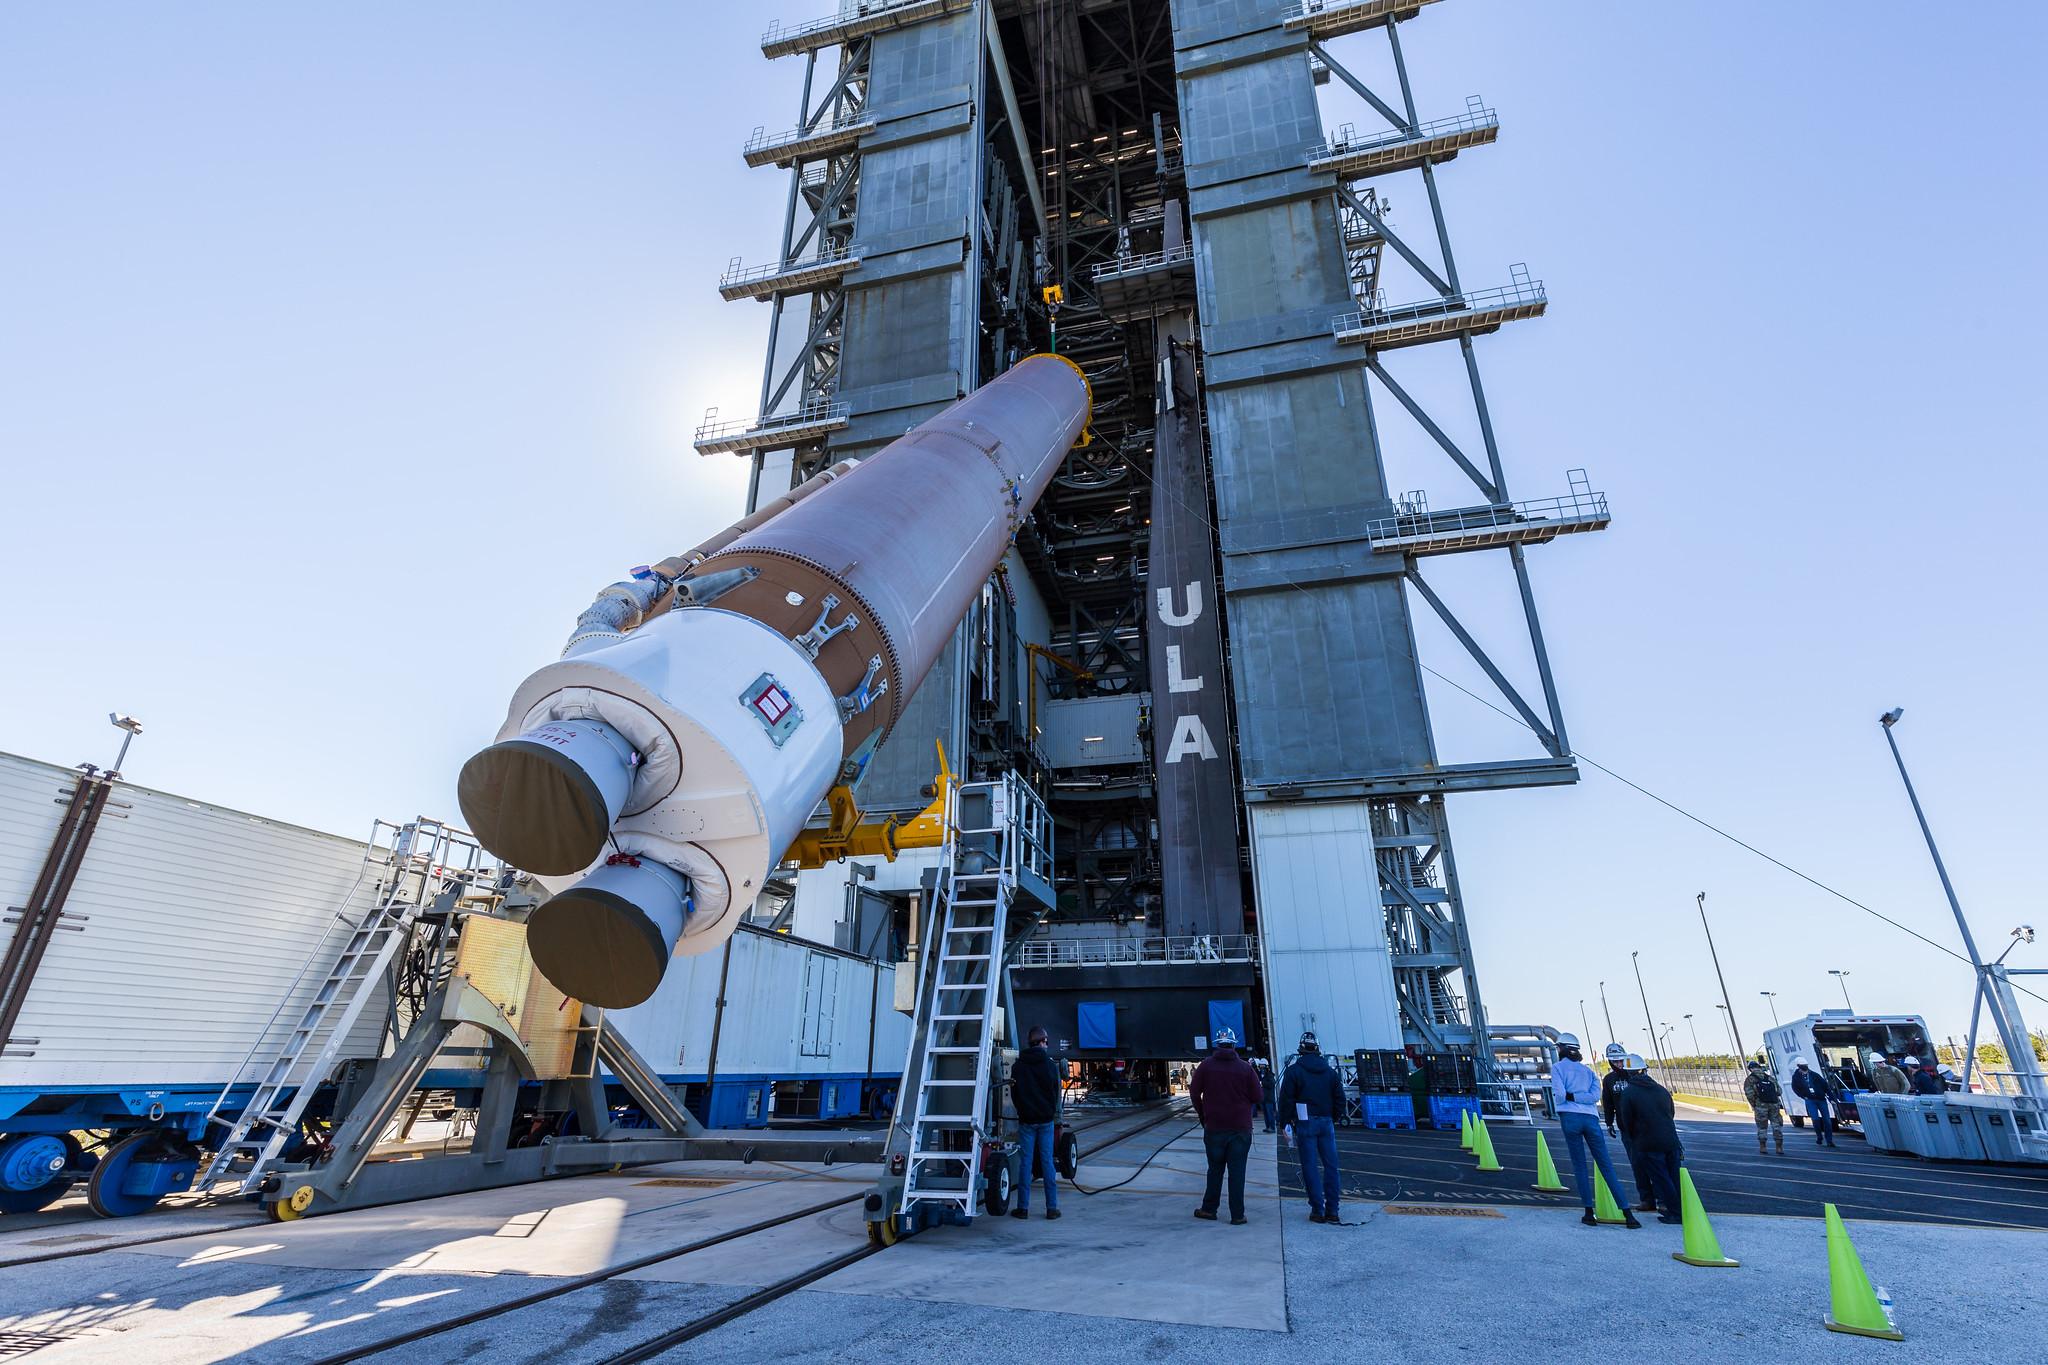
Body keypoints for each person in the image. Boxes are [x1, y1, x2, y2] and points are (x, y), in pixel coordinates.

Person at [1549, 1034, 1641, 1229]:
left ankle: (1589, 1212)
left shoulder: (1557, 1069)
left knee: (1580, 1165)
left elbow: (1559, 1096)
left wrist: (1570, 1095)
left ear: (1562, 1049)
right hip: (1591, 1119)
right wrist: (1581, 1097)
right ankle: (1628, 1214)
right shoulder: (1588, 1071)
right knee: (1606, 1165)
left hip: (1570, 1118)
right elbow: (1593, 1098)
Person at [1190, 1027, 1262, 1225]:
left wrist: (1203, 1115)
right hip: (1240, 1129)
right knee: (1237, 1172)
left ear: (1216, 1044)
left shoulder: (1205, 1066)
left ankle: (1209, 1209)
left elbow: (1194, 1093)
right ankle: (1237, 1215)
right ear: (1234, 1044)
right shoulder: (1246, 1068)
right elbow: (1258, 1096)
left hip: (1214, 1128)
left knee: (1215, 1170)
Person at [1278, 1031, 1345, 1225]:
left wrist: (1285, 1123)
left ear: (1301, 1049)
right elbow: (1340, 1099)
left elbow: (1286, 1100)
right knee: (1331, 1166)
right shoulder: (1330, 1072)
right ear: (1317, 1049)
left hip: (1305, 1123)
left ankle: (1317, 1210)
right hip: (1326, 1123)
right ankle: (1333, 1210)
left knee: (1310, 1167)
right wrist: (1333, 1117)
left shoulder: (1293, 1071)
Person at [1613, 1065, 1684, 1225]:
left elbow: (1627, 1121)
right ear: (1645, 1071)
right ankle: (1680, 1209)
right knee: (1674, 1177)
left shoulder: (1629, 1093)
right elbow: (1671, 1113)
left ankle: (1675, 1212)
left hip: (1647, 1143)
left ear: (1629, 1074)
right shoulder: (1661, 1090)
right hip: (1670, 1140)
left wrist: (1635, 1138)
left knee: (1661, 1179)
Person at [1009, 1026, 1063, 1220]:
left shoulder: (1018, 1066)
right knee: (1047, 1162)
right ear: (1041, 1042)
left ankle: (1022, 1208)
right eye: (1046, 1041)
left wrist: (1023, 1111)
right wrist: (1048, 1112)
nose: (1047, 1045)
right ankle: (1052, 1208)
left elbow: (1014, 1094)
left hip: (1026, 1121)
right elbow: (1055, 1093)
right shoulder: (1049, 1066)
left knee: (1026, 1163)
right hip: (1045, 1121)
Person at [1599, 1047, 1655, 1214]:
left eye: (1620, 1061)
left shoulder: (1636, 1076)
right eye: (1615, 1061)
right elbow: (1607, 1103)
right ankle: (1646, 1199)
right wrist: (1609, 1122)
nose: (1618, 1064)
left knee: (1654, 1163)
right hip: (1627, 1129)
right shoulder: (1609, 1080)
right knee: (1637, 1165)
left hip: (1645, 1127)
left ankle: (1662, 1198)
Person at [1741, 1059, 1785, 1155]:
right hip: (1774, 1104)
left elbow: (1749, 1094)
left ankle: (1763, 1146)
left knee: (1762, 1127)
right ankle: (1779, 1147)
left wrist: (1754, 1104)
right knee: (1776, 1125)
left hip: (1760, 1106)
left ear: (1750, 1069)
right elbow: (1779, 1091)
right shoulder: (1769, 1078)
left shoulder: (1750, 1079)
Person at [1791, 1058, 1837, 1148]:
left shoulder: (1815, 1075)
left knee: (1827, 1120)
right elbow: (1795, 1088)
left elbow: (1826, 1086)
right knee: (1815, 1119)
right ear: (1798, 1067)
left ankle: (1829, 1140)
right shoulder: (1796, 1077)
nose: (1804, 1069)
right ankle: (1819, 1137)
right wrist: (1803, 1096)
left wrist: (1831, 1098)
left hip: (1821, 1099)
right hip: (1810, 1100)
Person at [1252, 1056, 1278, 1133]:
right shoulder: (1260, 1075)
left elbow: (1272, 1084)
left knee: (1270, 1114)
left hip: (1269, 1098)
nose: (1262, 1068)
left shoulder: (1270, 1075)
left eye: (1263, 1066)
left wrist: (1262, 1083)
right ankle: (1267, 1127)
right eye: (1260, 1066)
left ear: (1266, 1066)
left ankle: (1272, 1127)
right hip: (1263, 1098)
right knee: (1266, 1114)